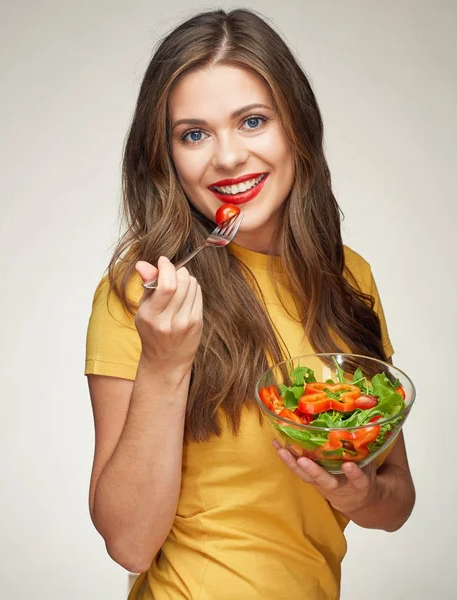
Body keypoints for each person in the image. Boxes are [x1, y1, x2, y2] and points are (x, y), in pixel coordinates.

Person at [84, 8, 416, 599]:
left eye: (253, 121)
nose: (229, 157)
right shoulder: (140, 294)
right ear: (166, 158)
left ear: (297, 126)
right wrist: (165, 363)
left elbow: (395, 504)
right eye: (194, 133)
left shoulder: (348, 276)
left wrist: (362, 494)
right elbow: (129, 543)